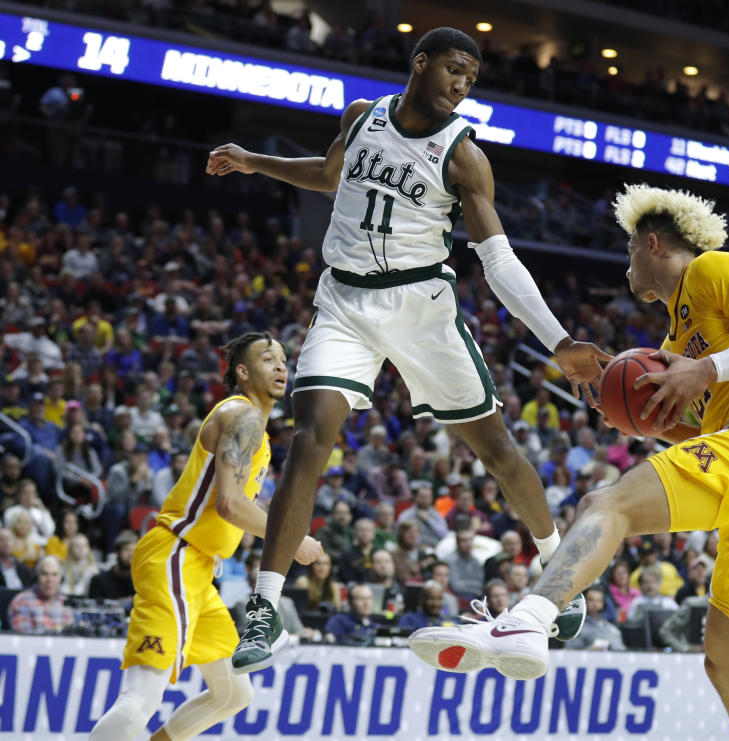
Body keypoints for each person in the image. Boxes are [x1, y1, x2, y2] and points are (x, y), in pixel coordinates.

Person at [211, 26, 610, 671]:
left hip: (422, 308)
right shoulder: (362, 116)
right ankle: (265, 610)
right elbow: (328, 174)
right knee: (309, 435)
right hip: (344, 300)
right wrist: (256, 162)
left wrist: (558, 340)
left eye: (471, 79)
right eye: (453, 69)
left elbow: (498, 260)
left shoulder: (463, 156)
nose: (461, 85)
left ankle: (557, 564)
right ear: (419, 63)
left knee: (498, 451)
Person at [409, 183, 729, 741]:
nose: (625, 265)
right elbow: (699, 427)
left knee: (604, 503)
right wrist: (630, 401)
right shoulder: (677, 333)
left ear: (651, 243)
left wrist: (703, 371)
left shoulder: (711, 271)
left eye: (628, 250)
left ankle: (529, 619)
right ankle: (536, 616)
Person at [89, 333, 323, 741]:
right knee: (140, 700)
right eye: (269, 359)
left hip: (199, 569)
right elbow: (230, 505)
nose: (282, 367)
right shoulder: (242, 416)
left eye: (285, 360)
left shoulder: (258, 431)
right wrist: (292, 538)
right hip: (176, 555)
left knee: (233, 693)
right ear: (243, 372)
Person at [8, 555, 75, 634]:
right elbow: (24, 640)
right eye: (44, 574)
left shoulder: (67, 603)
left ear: (61, 579)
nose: (49, 580)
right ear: (36, 577)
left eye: (54, 574)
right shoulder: (21, 602)